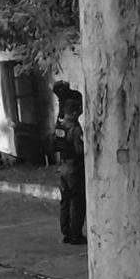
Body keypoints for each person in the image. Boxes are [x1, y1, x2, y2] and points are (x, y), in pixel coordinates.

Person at [52, 89, 86, 245]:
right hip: (73, 168)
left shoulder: (59, 127)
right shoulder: (75, 129)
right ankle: (75, 234)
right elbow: (80, 150)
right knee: (77, 202)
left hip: (61, 168)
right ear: (73, 112)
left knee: (65, 201)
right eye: (78, 110)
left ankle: (66, 231)